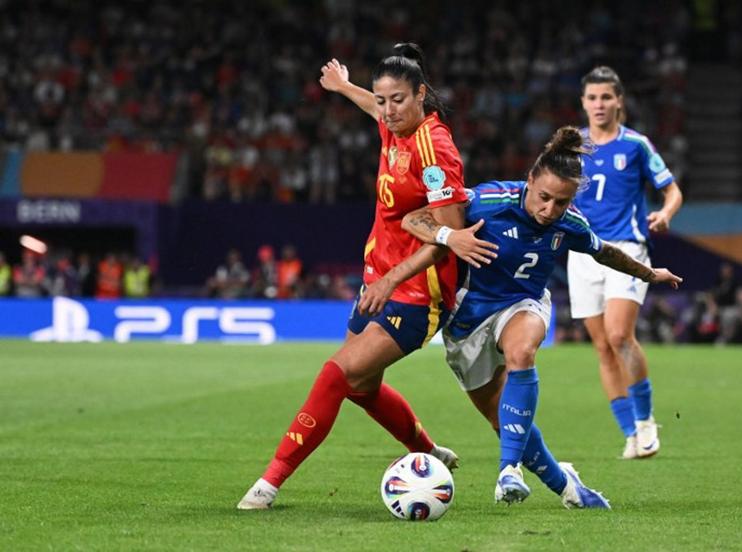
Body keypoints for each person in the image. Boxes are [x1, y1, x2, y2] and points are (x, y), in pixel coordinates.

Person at [401, 126, 682, 509]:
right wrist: (452, 237)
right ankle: (567, 487)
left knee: (522, 352)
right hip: (467, 320)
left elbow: (605, 252)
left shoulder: (570, 223)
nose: (550, 210)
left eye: (561, 203)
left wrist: (651, 274)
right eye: (544, 197)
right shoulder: (487, 200)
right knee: (504, 421)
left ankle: (508, 471)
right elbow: (414, 219)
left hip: (523, 305)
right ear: (529, 181)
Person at [238, 43, 468, 509]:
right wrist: (344, 87)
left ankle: (269, 482)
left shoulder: (433, 146)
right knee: (361, 387)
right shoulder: (391, 126)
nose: (386, 111)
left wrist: (390, 280)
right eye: (381, 101)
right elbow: (374, 106)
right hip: (378, 277)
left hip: (416, 292)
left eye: (397, 100)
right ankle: (427, 452)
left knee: (335, 374)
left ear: (420, 94)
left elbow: (452, 234)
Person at [567, 66, 684, 460]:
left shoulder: (635, 145)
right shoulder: (572, 146)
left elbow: (672, 191)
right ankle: (630, 432)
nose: (599, 104)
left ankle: (647, 419)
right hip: (583, 252)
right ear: (583, 103)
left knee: (619, 336)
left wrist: (666, 214)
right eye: (592, 98)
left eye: (606, 97)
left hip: (628, 249)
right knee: (601, 347)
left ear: (619, 101)